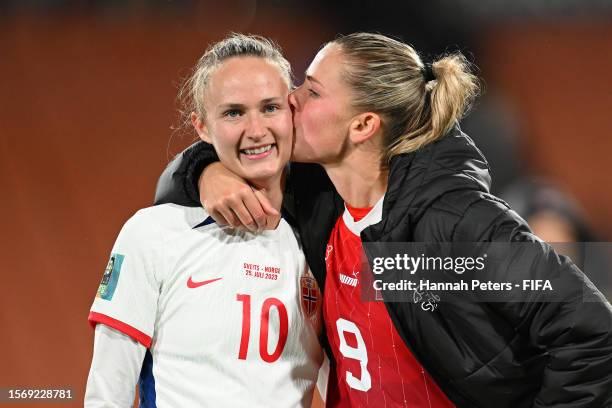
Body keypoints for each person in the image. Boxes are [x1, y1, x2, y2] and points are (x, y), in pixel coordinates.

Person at [155, 33, 612, 407]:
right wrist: (206, 174)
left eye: (311, 90)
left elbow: (593, 333)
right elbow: (183, 182)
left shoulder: (448, 222)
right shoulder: (321, 204)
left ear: (362, 126)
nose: (289, 100)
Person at [85, 34, 323, 407]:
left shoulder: (321, 242)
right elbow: (107, 391)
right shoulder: (154, 234)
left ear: (291, 111)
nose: (256, 130)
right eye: (233, 113)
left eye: (270, 107)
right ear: (201, 127)